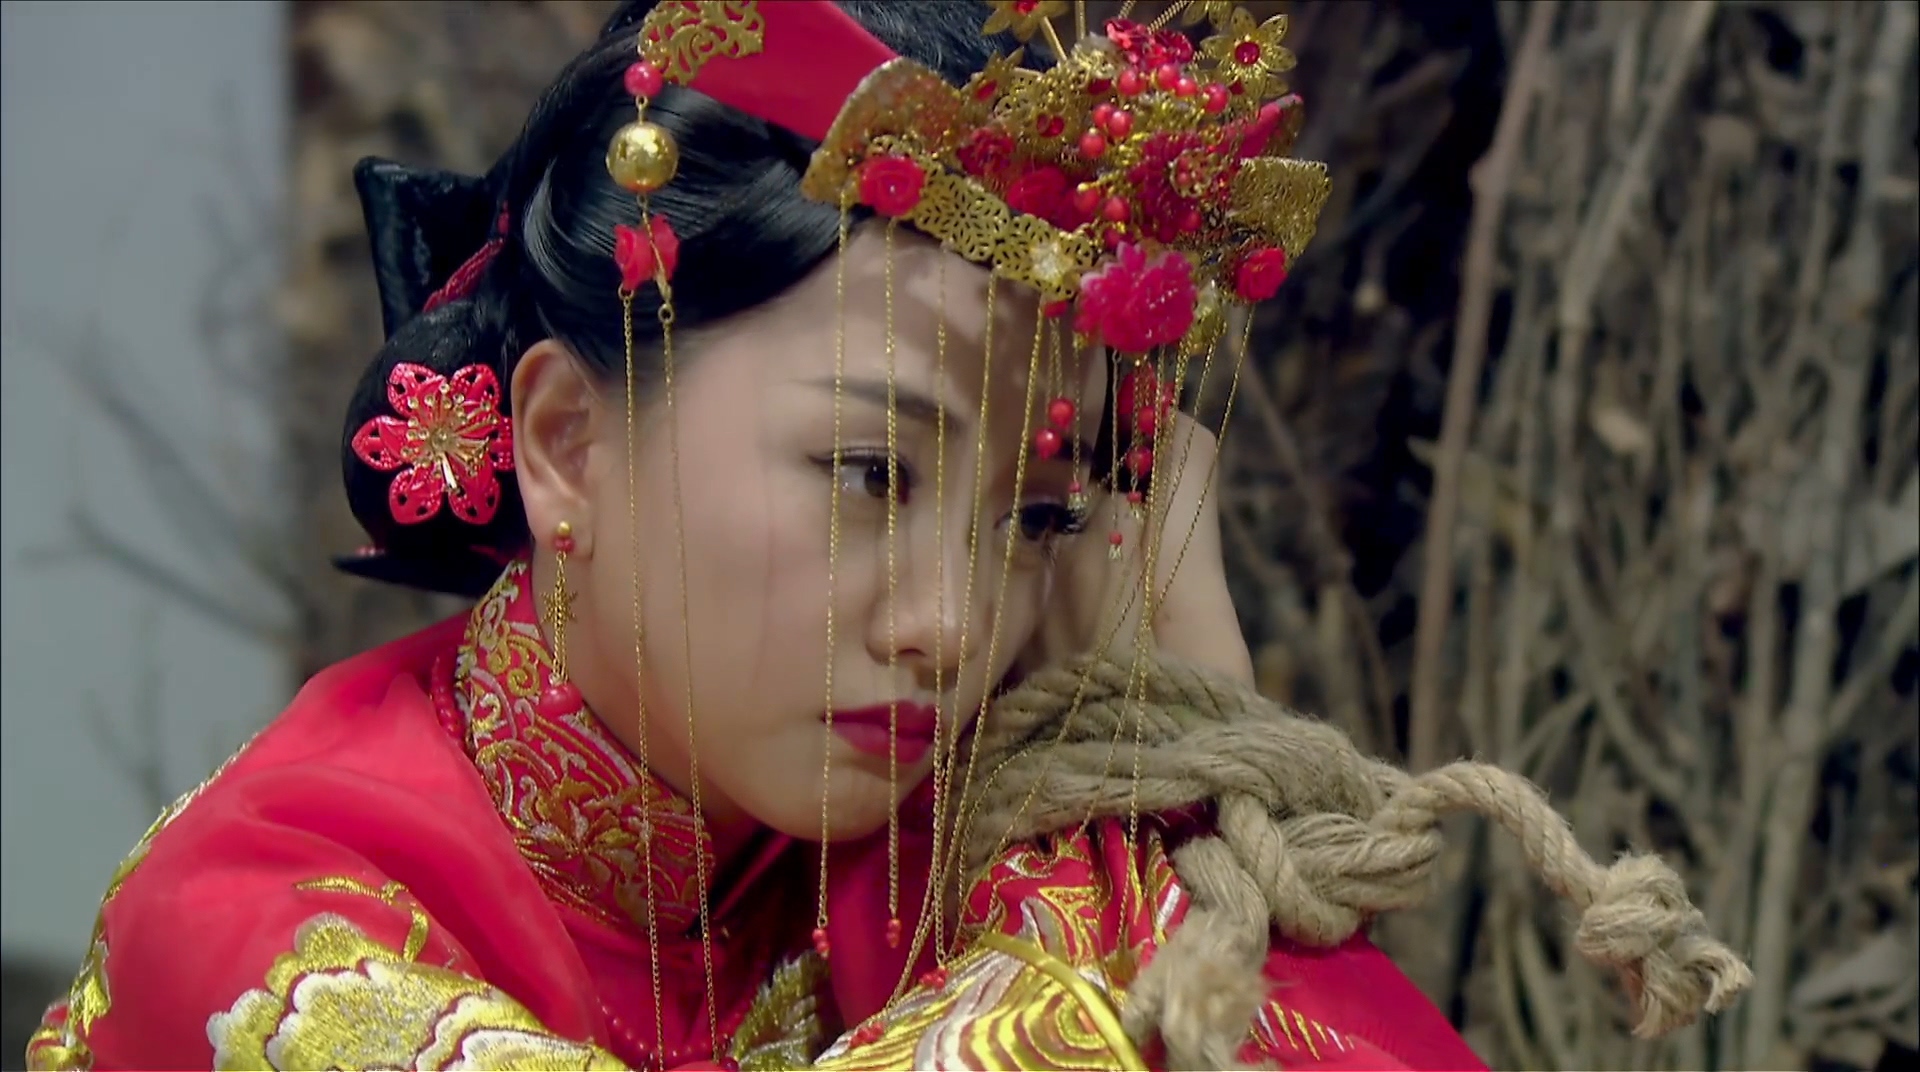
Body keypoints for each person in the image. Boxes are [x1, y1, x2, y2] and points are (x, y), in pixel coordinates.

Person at [27, 2, 1752, 1070]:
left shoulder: (917, 833)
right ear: (566, 443)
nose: (954, 621)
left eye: (1035, 515)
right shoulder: (268, 921)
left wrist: (1180, 704)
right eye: (868, 472)